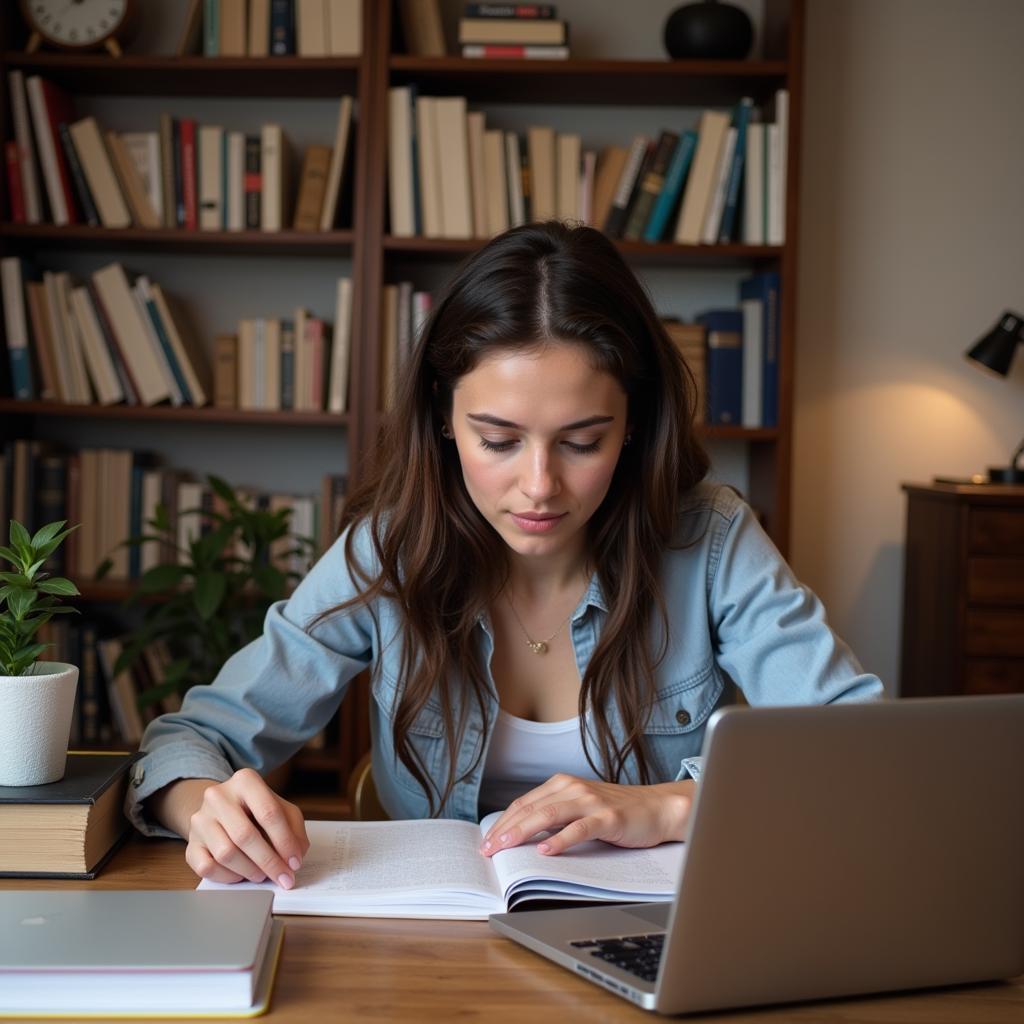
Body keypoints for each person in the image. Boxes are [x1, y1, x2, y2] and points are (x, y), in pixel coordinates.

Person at [128, 221, 882, 890]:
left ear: (633, 426)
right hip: (434, 958)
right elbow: (190, 741)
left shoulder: (710, 542)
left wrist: (667, 804)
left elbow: (860, 752)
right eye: (498, 440)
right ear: (445, 418)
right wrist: (208, 808)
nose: (539, 486)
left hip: (655, 942)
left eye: (584, 441)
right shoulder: (389, 548)